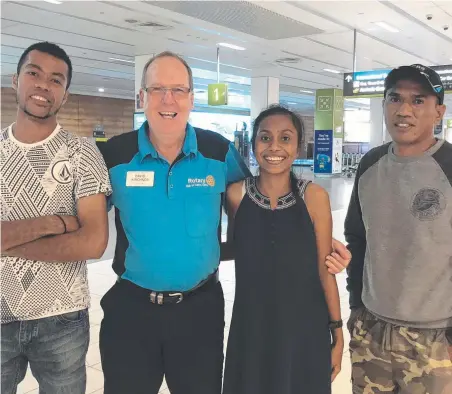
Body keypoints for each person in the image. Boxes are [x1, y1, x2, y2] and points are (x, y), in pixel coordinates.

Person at [98, 51, 351, 394]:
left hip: (198, 310)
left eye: (178, 90)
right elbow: (85, 220)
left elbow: (259, 212)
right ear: (142, 96)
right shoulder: (114, 154)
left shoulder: (217, 151)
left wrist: (316, 243)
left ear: (191, 97)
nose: (167, 99)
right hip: (131, 309)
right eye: (157, 89)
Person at [0, 42, 111, 394]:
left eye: (56, 79)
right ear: (16, 80)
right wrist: (55, 223)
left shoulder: (82, 152)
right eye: (34, 73)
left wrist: (8, 242)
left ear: (64, 94)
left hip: (62, 317)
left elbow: (93, 242)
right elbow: (76, 234)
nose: (43, 85)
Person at [222, 105, 344, 394]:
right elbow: (235, 248)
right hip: (252, 326)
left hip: (304, 327)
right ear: (252, 146)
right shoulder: (236, 194)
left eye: (285, 138)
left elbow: (324, 270)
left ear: (299, 147)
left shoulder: (314, 197)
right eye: (265, 138)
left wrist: (337, 333)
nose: (274, 146)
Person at [345, 64, 452, 394]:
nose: (404, 110)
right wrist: (356, 308)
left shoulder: (449, 164)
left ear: (439, 111)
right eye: (395, 98)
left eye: (418, 100)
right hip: (372, 329)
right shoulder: (370, 164)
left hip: (436, 339)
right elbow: (357, 238)